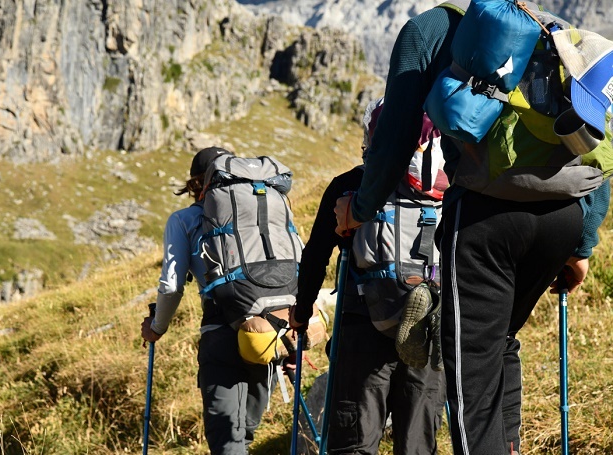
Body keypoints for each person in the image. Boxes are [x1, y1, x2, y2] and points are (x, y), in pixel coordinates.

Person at [332, 4, 611, 455]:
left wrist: (360, 209)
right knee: (499, 345)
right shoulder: (548, 29)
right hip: (563, 215)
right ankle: (511, 443)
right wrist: (581, 243)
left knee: (470, 388)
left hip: (485, 220)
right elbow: (592, 140)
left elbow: (395, 136)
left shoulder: (429, 29)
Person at [290, 99, 446, 455]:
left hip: (363, 323)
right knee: (418, 444)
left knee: (356, 442)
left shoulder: (351, 186)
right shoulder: (449, 188)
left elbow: (315, 256)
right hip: (430, 327)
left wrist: (302, 312)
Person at [141, 146, 277, 455]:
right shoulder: (259, 209)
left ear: (193, 185)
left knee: (227, 440)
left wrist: (157, 328)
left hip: (221, 331)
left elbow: (172, 286)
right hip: (268, 329)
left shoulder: (184, 220)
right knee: (244, 434)